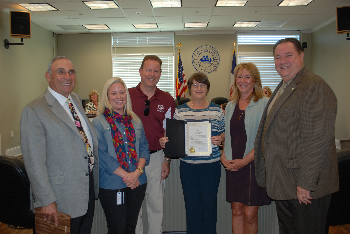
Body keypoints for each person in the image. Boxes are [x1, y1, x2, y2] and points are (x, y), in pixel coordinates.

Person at [254, 38, 338, 234]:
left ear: (301, 56)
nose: (282, 61)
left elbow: (317, 140)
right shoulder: (285, 85)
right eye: (277, 57)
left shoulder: (313, 86)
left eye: (288, 55)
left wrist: (306, 183)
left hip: (303, 187)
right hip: (285, 182)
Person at [20, 56, 99, 234]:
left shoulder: (76, 101)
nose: (67, 77)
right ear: (48, 76)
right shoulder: (35, 110)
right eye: (60, 72)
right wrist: (46, 200)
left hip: (85, 191)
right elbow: (34, 163)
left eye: (71, 72)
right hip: (59, 198)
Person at [160, 72, 225, 234]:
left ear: (207, 88)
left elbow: (225, 133)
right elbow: (173, 138)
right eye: (195, 85)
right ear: (189, 89)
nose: (199, 88)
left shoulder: (217, 110)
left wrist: (221, 138)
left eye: (203, 85)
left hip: (211, 167)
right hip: (188, 167)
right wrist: (166, 153)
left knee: (209, 207)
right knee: (192, 207)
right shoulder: (180, 111)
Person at [92, 77, 150, 234]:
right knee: (117, 228)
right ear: (107, 97)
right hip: (112, 184)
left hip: (137, 182)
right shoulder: (98, 123)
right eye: (114, 93)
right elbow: (101, 155)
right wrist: (127, 176)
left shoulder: (135, 120)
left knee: (131, 227)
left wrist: (137, 172)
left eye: (122, 92)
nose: (119, 97)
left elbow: (144, 147)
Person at [220, 63, 270, 234]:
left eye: (247, 76)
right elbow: (228, 133)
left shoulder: (264, 103)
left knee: (249, 214)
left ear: (255, 80)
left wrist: (244, 162)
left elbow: (265, 139)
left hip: (253, 165)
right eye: (239, 77)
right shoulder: (231, 105)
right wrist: (223, 156)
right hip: (234, 164)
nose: (243, 80)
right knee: (236, 210)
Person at [129, 55, 176, 234]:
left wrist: (167, 160)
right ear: (140, 71)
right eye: (148, 70)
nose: (152, 74)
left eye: (156, 71)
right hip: (132, 159)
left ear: (160, 74)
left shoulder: (167, 99)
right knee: (135, 207)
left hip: (156, 158)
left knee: (156, 205)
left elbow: (169, 132)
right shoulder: (127, 95)